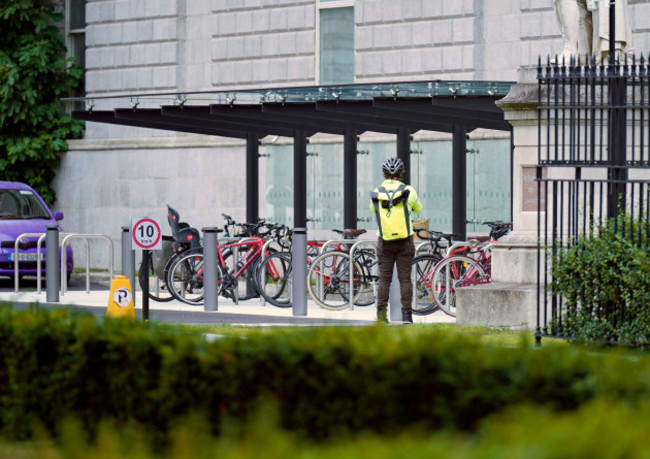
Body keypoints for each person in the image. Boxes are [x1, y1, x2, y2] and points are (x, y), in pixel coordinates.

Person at [369, 157, 422, 324]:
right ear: (401, 173)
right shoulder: (409, 191)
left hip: (384, 242)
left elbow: (373, 210)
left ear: (384, 173)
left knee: (384, 279)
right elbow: (418, 209)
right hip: (405, 241)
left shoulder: (376, 192)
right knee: (405, 279)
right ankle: (407, 315)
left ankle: (380, 317)